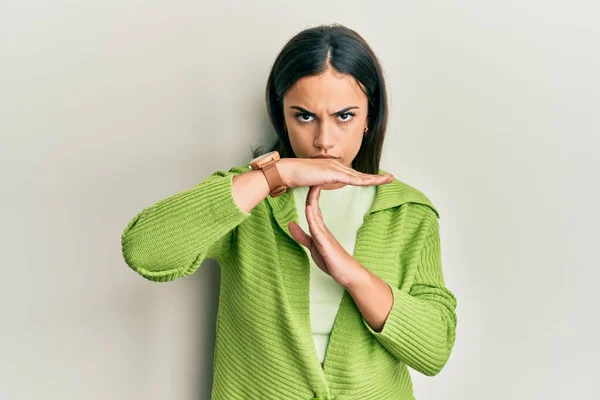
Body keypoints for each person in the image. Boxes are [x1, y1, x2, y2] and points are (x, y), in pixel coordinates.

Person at [121, 23, 458, 400]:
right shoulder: (249, 199)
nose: (324, 140)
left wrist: (353, 275)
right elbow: (143, 250)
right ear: (281, 115)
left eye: (344, 116)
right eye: (305, 116)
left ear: (369, 117)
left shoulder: (408, 212)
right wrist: (272, 175)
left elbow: (434, 350)